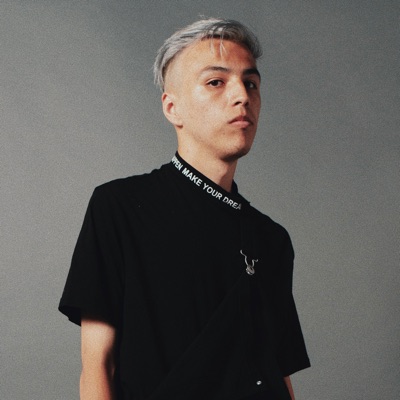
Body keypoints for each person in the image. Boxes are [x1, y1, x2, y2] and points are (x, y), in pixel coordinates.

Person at [59, 17, 310, 400]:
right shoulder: (119, 208)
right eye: (216, 82)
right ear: (172, 108)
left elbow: (277, 372)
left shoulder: (271, 239)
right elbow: (97, 366)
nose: (242, 96)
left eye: (251, 83)